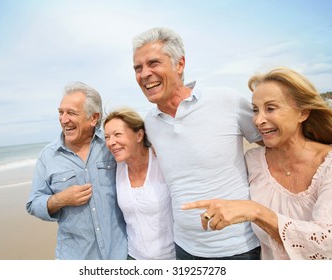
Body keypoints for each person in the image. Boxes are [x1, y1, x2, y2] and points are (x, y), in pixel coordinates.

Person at [182, 67, 332, 259]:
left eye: (271, 108)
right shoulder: (253, 161)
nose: (258, 120)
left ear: (303, 113)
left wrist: (256, 212)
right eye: (255, 110)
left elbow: (330, 243)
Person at [132, 27, 262, 259]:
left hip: (238, 248)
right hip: (183, 248)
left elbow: (277, 143)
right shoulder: (150, 123)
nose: (144, 74)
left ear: (179, 64)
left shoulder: (226, 100)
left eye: (153, 63)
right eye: (138, 68)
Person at [26, 82, 127, 260]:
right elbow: (33, 204)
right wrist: (59, 200)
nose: (64, 120)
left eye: (71, 113)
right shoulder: (48, 156)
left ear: (94, 118)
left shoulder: (112, 146)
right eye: (61, 112)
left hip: (120, 255)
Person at [103, 108, 175, 260]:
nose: (111, 143)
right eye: (107, 137)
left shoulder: (162, 161)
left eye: (117, 134)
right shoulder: (116, 167)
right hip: (134, 258)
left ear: (139, 135)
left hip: (172, 257)